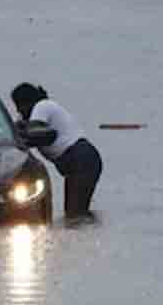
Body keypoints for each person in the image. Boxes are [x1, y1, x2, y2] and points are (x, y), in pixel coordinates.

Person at [11, 82, 102, 217]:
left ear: (27, 102)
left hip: (82, 160)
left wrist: (19, 138)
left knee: (74, 214)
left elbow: (35, 132)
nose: (18, 111)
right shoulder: (39, 111)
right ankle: (92, 231)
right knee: (75, 214)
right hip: (80, 163)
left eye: (19, 106)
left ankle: (91, 234)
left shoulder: (43, 106)